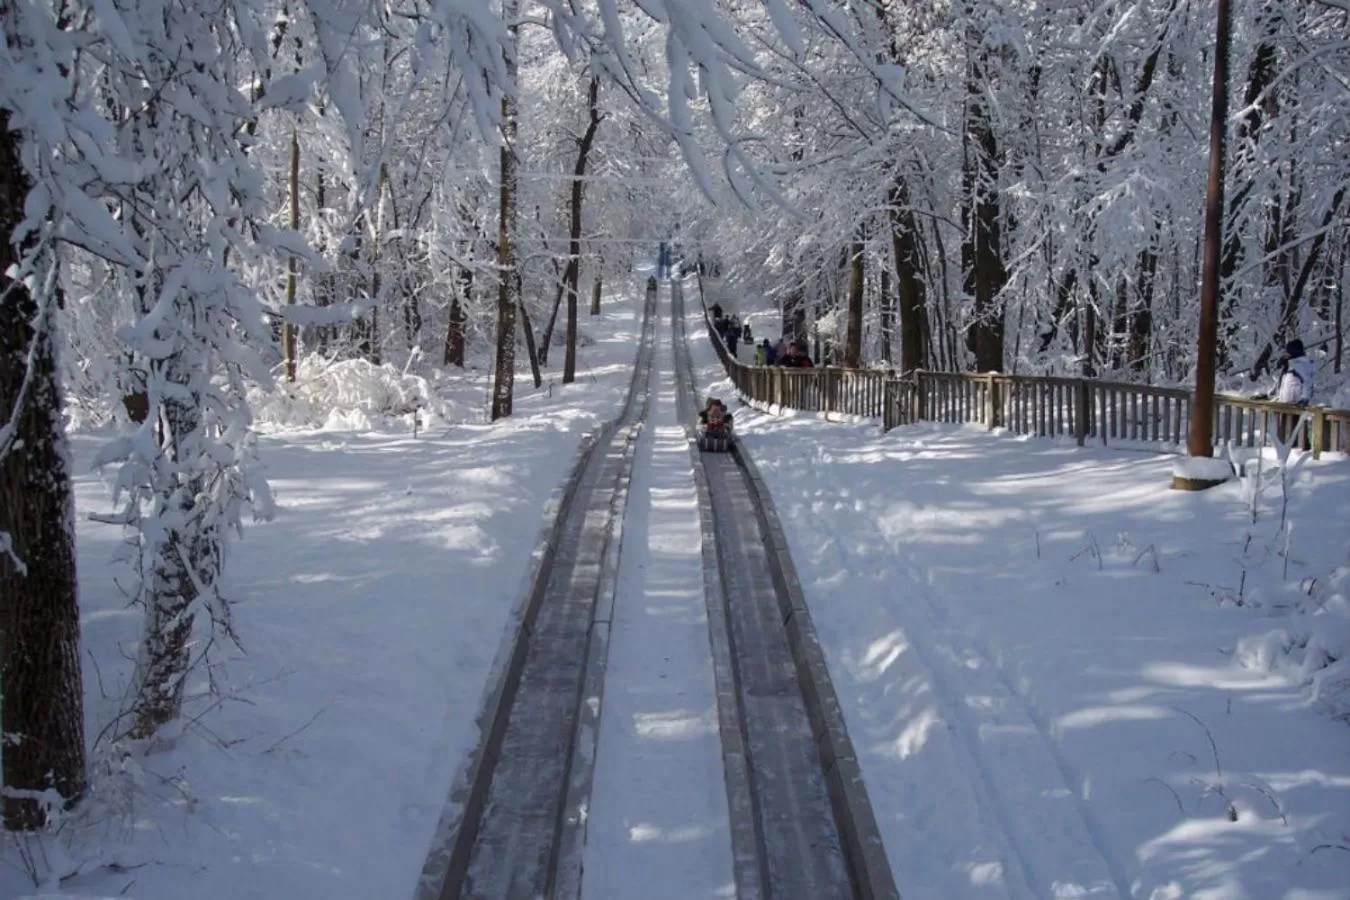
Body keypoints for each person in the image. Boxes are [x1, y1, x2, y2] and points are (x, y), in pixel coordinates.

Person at [1276, 339, 1314, 405]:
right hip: (1286, 404)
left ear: (1293, 352)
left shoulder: (1301, 364)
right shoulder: (1291, 364)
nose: (1285, 354)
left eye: (1287, 352)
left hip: (1296, 404)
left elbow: (1307, 381)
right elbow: (1284, 382)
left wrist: (1305, 398)